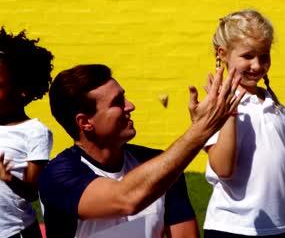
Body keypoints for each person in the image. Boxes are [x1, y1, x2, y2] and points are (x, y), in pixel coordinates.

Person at [38, 63, 244, 238]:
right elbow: (126, 199)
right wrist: (203, 128)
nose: (130, 106)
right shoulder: (58, 176)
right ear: (85, 122)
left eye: (124, 97)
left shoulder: (159, 163)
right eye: (117, 103)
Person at [202, 9, 285, 238]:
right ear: (223, 54)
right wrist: (229, 110)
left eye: (264, 56)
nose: (257, 65)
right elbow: (224, 169)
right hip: (231, 228)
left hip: (281, 227)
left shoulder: (278, 109)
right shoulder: (212, 106)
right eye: (248, 56)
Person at [0, 27, 54, 238]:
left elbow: (33, 192)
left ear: (24, 90)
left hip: (17, 232)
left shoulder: (34, 132)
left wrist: (8, 178)